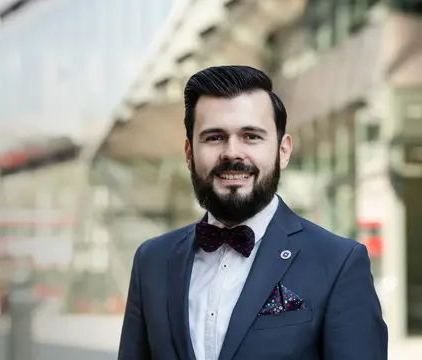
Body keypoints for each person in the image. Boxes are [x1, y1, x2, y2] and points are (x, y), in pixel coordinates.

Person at [118, 65, 388, 360]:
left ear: (283, 151)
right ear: (188, 153)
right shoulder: (152, 261)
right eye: (214, 137)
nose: (232, 152)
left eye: (251, 136)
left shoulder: (338, 264)